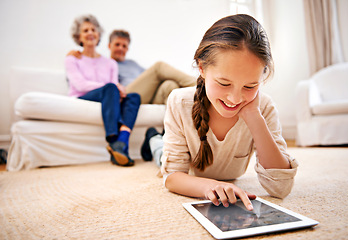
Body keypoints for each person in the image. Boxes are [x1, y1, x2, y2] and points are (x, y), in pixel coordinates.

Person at [141, 14, 298, 210]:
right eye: (224, 83)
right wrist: (211, 186)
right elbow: (172, 177)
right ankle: (153, 139)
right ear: (202, 68)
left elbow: (281, 188)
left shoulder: (263, 107)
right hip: (179, 155)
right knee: (160, 154)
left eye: (250, 86)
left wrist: (253, 117)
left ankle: (155, 139)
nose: (235, 99)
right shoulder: (179, 101)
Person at [65, 14, 141, 167]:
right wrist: (111, 88)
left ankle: (122, 142)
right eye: (85, 30)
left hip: (107, 96)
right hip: (83, 96)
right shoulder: (72, 59)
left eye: (93, 29)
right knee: (111, 87)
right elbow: (80, 85)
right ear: (78, 36)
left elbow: (112, 84)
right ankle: (114, 141)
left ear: (99, 35)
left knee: (133, 97)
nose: (90, 33)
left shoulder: (110, 63)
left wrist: (117, 90)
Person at [108, 30, 196, 104]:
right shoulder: (107, 64)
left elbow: (151, 78)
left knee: (169, 85)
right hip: (127, 96)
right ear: (109, 46)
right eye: (117, 44)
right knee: (159, 66)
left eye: (124, 46)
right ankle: (197, 84)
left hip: (147, 95)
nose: (121, 48)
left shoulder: (132, 63)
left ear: (127, 49)